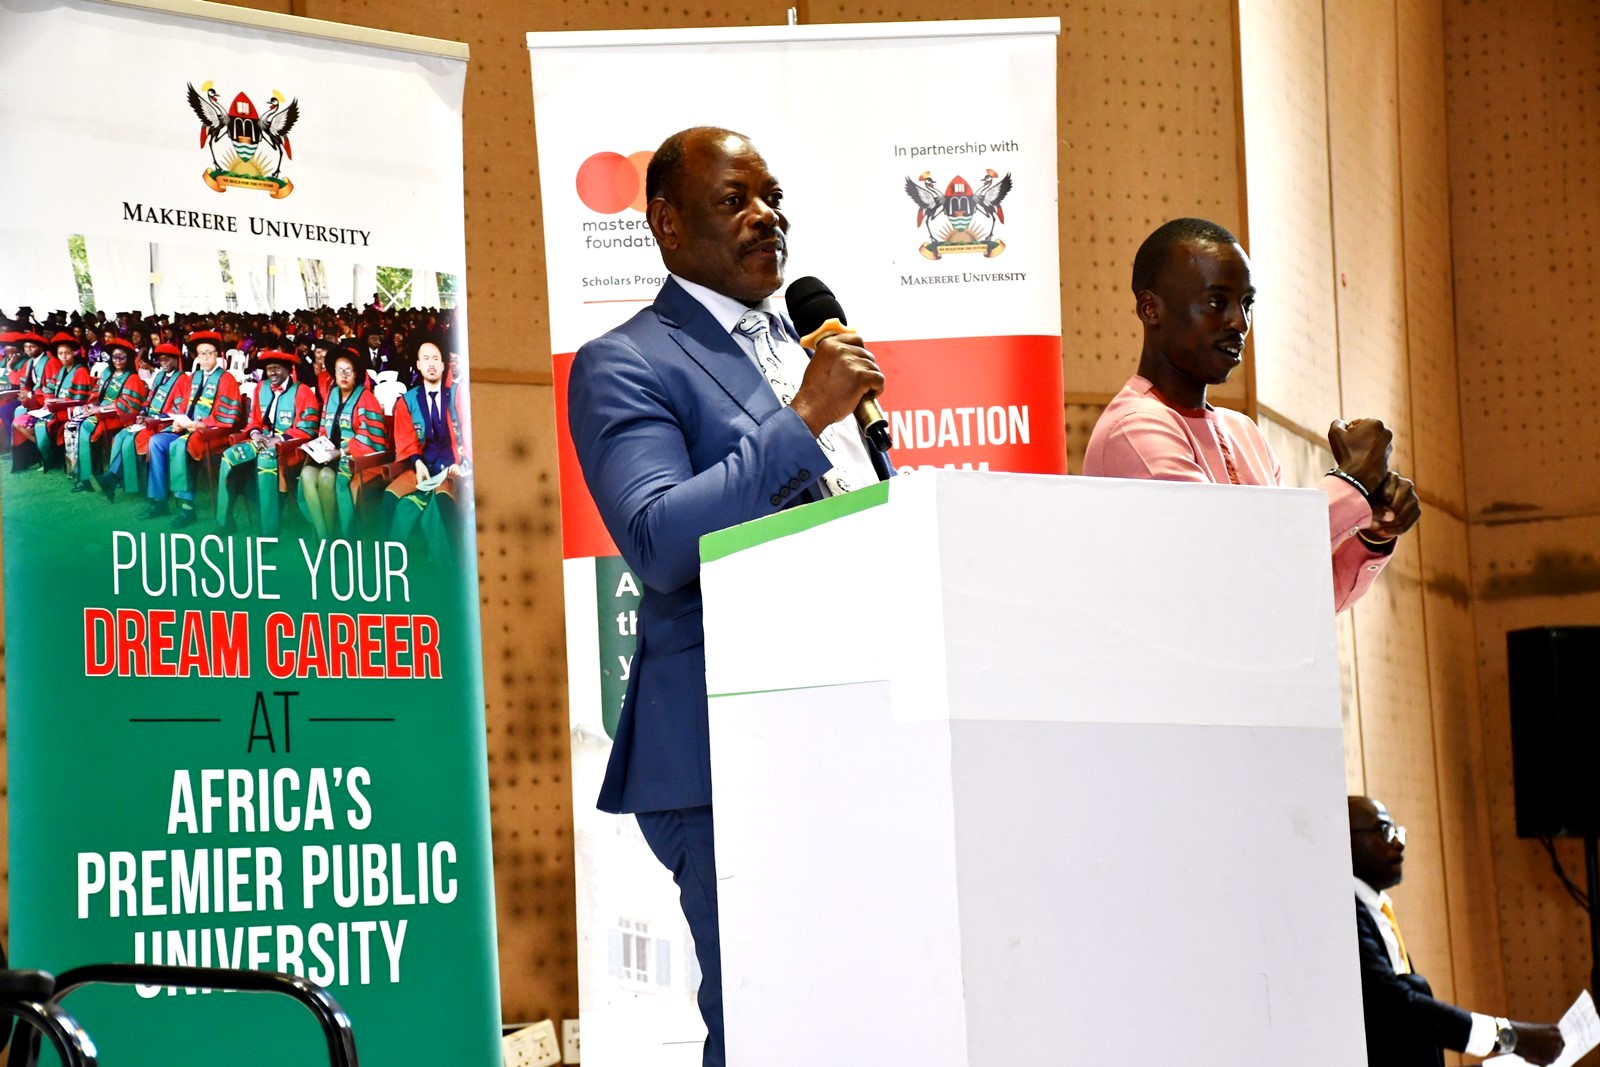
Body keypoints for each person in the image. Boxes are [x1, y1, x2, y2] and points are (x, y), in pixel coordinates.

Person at [566, 126, 891, 1067]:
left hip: (857, 722)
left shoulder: (806, 346)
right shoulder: (625, 360)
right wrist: (804, 418)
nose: (767, 216)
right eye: (734, 200)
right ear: (666, 223)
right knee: (770, 1025)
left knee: (866, 1010)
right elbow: (663, 540)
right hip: (728, 752)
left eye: (773, 195)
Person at [1083, 218, 1422, 611]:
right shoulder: (1135, 428)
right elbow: (1227, 561)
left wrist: (1372, 534)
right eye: (1216, 302)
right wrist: (1353, 483)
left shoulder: (1243, 432)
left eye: (1247, 304)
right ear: (1150, 309)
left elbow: (1296, 593)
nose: (1239, 324)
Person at [1348, 797, 1566, 1066]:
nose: (1399, 842)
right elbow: (1399, 1006)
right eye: (1384, 831)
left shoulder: (1374, 910)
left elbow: (1406, 1033)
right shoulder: (1346, 916)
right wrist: (1511, 1037)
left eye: (1398, 831)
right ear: (1343, 840)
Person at [143, 330, 242, 525]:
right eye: (201, 353)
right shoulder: (194, 377)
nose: (205, 357)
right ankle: (159, 501)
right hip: (189, 429)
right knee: (156, 442)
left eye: (209, 353)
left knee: (180, 446)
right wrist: (180, 421)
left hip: (213, 433)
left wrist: (201, 424)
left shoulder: (227, 379)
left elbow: (228, 416)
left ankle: (187, 508)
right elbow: (183, 406)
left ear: (217, 355)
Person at [215, 349, 319, 535]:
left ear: (288, 369)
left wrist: (279, 439)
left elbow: (308, 429)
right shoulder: (260, 388)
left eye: (277, 368)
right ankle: (225, 521)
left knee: (266, 459)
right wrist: (255, 434)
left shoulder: (302, 392)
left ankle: (269, 531)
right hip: (261, 440)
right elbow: (254, 420)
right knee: (228, 456)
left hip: (289, 447)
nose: (272, 373)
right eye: (269, 369)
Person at [385, 337, 469, 560]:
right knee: (390, 498)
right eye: (426, 359)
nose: (431, 364)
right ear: (418, 365)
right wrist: (417, 462)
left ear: (443, 365)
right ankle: (392, 564)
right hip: (422, 467)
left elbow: (469, 433)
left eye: (436, 359)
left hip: (454, 468)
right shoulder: (407, 401)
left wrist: (463, 463)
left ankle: (454, 565)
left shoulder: (458, 394)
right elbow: (406, 439)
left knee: (443, 503)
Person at [298, 346, 387, 538]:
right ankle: (324, 536)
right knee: (306, 473)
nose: (344, 375)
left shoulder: (366, 398)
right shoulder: (332, 395)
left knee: (325, 478)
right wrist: (316, 447)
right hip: (329, 455)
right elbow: (323, 428)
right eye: (339, 370)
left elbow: (370, 437)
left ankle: (334, 535)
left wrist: (340, 452)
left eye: (348, 370)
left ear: (356, 374)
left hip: (354, 458)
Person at [99, 342, 190, 500]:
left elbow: (179, 408)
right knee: (122, 436)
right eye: (161, 360)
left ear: (176, 359)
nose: (164, 363)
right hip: (148, 420)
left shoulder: (182, 380)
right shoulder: (160, 376)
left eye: (167, 359)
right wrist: (142, 413)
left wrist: (155, 419)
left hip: (164, 424)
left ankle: (113, 478)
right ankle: (117, 479)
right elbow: (149, 399)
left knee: (134, 439)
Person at [70, 338, 149, 492]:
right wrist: (92, 404)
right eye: (115, 357)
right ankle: (81, 474)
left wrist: (100, 409)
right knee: (73, 424)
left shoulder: (132, 378)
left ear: (129, 358)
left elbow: (128, 405)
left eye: (122, 357)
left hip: (116, 417)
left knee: (84, 426)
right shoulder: (107, 373)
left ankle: (88, 478)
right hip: (99, 412)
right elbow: (95, 392)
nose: (118, 360)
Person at [13, 333, 93, 472]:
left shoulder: (80, 371)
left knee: (39, 425)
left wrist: (57, 402)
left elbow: (80, 399)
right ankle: (51, 453)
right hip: (55, 408)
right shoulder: (62, 369)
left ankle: (52, 457)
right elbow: (49, 390)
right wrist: (48, 400)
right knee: (19, 421)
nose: (63, 356)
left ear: (74, 353)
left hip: (69, 410)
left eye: (67, 353)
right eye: (60, 353)